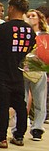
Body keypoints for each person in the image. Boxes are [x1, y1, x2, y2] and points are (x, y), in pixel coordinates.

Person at [0, 0, 35, 148]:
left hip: (1, 72)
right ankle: (19, 136)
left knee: (2, 107)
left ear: (12, 8)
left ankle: (1, 138)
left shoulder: (3, 28)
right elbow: (31, 48)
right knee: (20, 105)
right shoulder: (29, 30)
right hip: (18, 72)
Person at [23, 9, 48, 141]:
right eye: (28, 16)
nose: (31, 18)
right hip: (24, 68)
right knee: (23, 100)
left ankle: (37, 128)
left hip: (39, 69)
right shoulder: (24, 33)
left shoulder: (45, 34)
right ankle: (19, 127)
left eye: (33, 16)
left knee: (40, 100)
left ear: (39, 18)